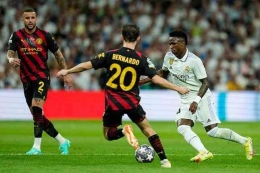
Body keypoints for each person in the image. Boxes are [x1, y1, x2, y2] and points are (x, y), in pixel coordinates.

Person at [57, 24, 190, 168]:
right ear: (138, 38)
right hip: (132, 102)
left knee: (108, 135)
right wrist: (178, 88)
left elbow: (87, 65)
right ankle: (165, 161)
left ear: (122, 37)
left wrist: (68, 71)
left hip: (113, 103)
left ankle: (124, 131)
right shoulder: (142, 59)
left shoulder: (110, 54)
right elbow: (156, 79)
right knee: (147, 129)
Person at [139, 30, 254, 162]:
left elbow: (206, 83)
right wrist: (144, 80)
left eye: (173, 44)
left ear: (183, 44)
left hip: (201, 96)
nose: (170, 47)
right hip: (184, 97)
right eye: (169, 44)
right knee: (182, 126)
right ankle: (203, 151)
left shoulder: (194, 61)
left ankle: (245, 141)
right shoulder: (168, 57)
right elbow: (162, 73)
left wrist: (196, 101)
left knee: (212, 132)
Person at [7, 7, 72, 155]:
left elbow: (58, 54)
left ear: (36, 19)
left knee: (37, 108)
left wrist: (66, 73)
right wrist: (11, 59)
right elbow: (10, 51)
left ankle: (37, 147)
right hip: (26, 79)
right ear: (22, 19)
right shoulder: (16, 35)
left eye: (32, 18)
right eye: (27, 18)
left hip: (41, 76)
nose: (30, 20)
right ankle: (63, 141)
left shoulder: (45, 35)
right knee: (38, 116)